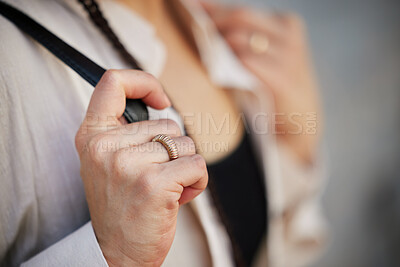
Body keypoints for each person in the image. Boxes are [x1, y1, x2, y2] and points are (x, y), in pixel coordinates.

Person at [0, 0, 326, 266]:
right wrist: (111, 258)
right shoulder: (9, 69)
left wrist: (295, 148)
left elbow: (278, 246)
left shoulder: (211, 20)